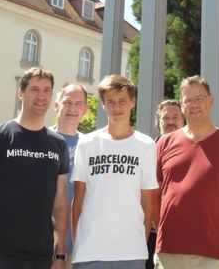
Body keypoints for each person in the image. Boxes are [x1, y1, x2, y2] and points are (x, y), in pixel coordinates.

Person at [0, 67, 70, 269]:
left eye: (47, 90)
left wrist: (60, 256)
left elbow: (61, 205)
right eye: (34, 89)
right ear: (21, 93)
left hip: (40, 257)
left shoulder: (58, 144)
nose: (41, 96)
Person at [155, 75, 219, 269]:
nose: (194, 104)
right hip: (169, 251)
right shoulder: (164, 143)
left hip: (212, 254)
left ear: (210, 101)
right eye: (188, 99)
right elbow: (153, 194)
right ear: (182, 104)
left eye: (199, 98)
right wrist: (161, 227)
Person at [71, 74, 158, 267]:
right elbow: (77, 201)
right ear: (103, 104)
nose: (117, 107)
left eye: (122, 101)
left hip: (131, 253)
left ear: (133, 102)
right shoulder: (86, 143)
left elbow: (148, 204)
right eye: (110, 101)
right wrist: (80, 243)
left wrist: (138, 242)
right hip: (90, 252)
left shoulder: (146, 145)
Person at [147, 99, 186, 269]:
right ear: (158, 122)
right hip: (150, 234)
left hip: (184, 232)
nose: (170, 122)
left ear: (184, 120)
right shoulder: (146, 150)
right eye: (165, 118)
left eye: (175, 117)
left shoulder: (193, 150)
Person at [52, 82, 88, 253]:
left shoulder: (91, 145)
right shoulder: (42, 141)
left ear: (85, 110)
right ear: (56, 106)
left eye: (78, 103)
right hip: (44, 243)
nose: (72, 108)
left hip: (81, 245)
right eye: (67, 102)